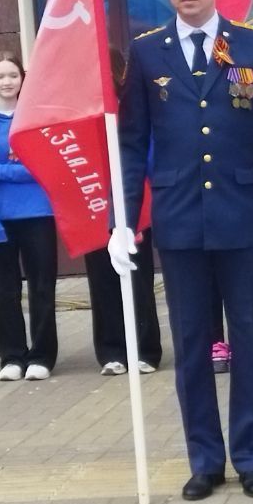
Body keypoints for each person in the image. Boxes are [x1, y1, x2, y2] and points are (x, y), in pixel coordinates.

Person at [113, 0, 253, 502]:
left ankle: (252, 456)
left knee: (248, 340)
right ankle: (205, 458)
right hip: (179, 219)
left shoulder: (251, 46)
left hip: (242, 217)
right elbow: (132, 142)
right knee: (192, 345)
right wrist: (122, 217)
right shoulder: (146, 54)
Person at [0, 51, 59, 381]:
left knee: (42, 288)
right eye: (0, 76)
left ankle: (43, 356)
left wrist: (4, 172)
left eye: (13, 75)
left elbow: (45, 167)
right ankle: (12, 356)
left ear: (23, 79)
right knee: (4, 290)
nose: (7, 82)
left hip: (37, 214)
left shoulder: (36, 118)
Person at [86, 50, 162, 378]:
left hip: (133, 205)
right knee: (101, 281)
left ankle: (146, 349)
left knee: (138, 279)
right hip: (91, 204)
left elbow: (144, 161)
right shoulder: (78, 113)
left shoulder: (131, 108)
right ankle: (111, 350)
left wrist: (133, 213)